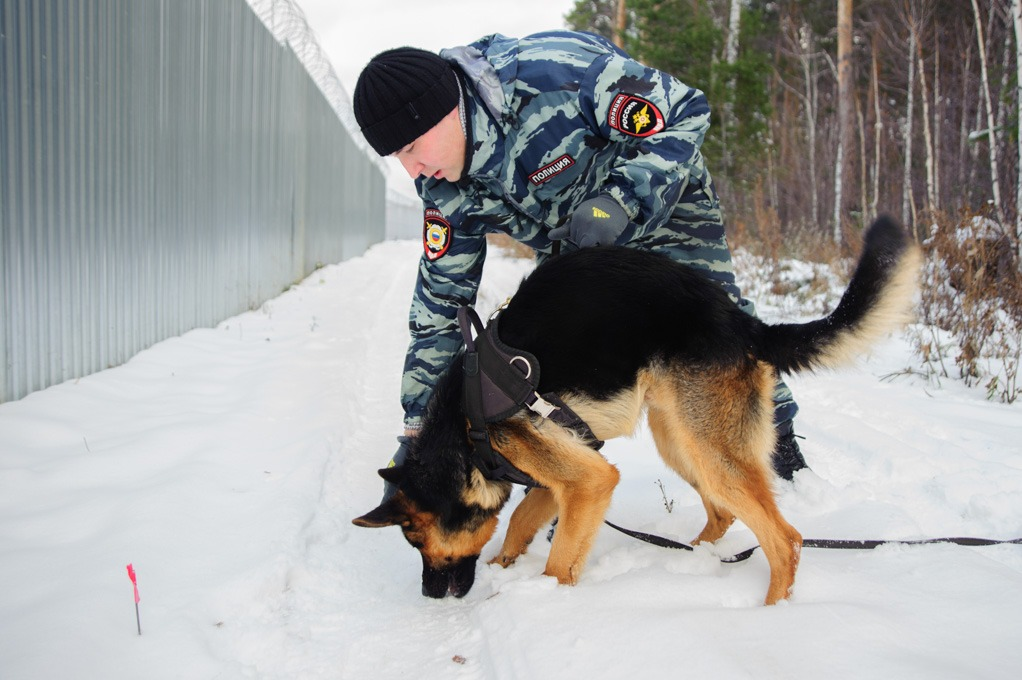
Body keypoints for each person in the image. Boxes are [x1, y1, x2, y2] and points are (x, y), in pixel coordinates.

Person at [351, 30, 807, 494]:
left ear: (446, 109)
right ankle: (561, 484)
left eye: (411, 148)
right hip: (576, 242)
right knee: (554, 350)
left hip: (665, 203)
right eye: (396, 158)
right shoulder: (442, 186)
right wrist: (419, 429)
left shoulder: (556, 75)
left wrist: (621, 200)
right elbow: (441, 305)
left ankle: (782, 450)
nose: (412, 170)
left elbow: (684, 111)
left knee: (719, 327)